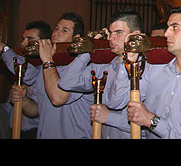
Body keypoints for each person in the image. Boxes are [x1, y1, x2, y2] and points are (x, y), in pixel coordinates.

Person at [103, 4, 181, 139]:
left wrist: (152, 121)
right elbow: (115, 102)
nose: (166, 33)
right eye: (168, 27)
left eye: (175, 27)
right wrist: (129, 59)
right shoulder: (154, 70)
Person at [57, 9, 144, 139]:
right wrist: (88, 49)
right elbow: (66, 82)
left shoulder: (145, 69)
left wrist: (109, 118)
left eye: (118, 33)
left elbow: (147, 128)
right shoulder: (104, 67)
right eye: (110, 33)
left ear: (135, 35)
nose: (111, 38)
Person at [9, 12, 93, 139]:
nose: (56, 34)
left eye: (64, 30)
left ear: (76, 38)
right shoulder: (45, 67)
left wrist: (48, 61)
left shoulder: (82, 68)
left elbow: (57, 98)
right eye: (56, 28)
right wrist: (23, 99)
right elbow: (35, 110)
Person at [0, 20, 52, 139]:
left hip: (33, 132)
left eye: (29, 39)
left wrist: (3, 48)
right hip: (13, 129)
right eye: (23, 38)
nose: (23, 43)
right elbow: (10, 107)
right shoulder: (23, 62)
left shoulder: (45, 68)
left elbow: (27, 74)